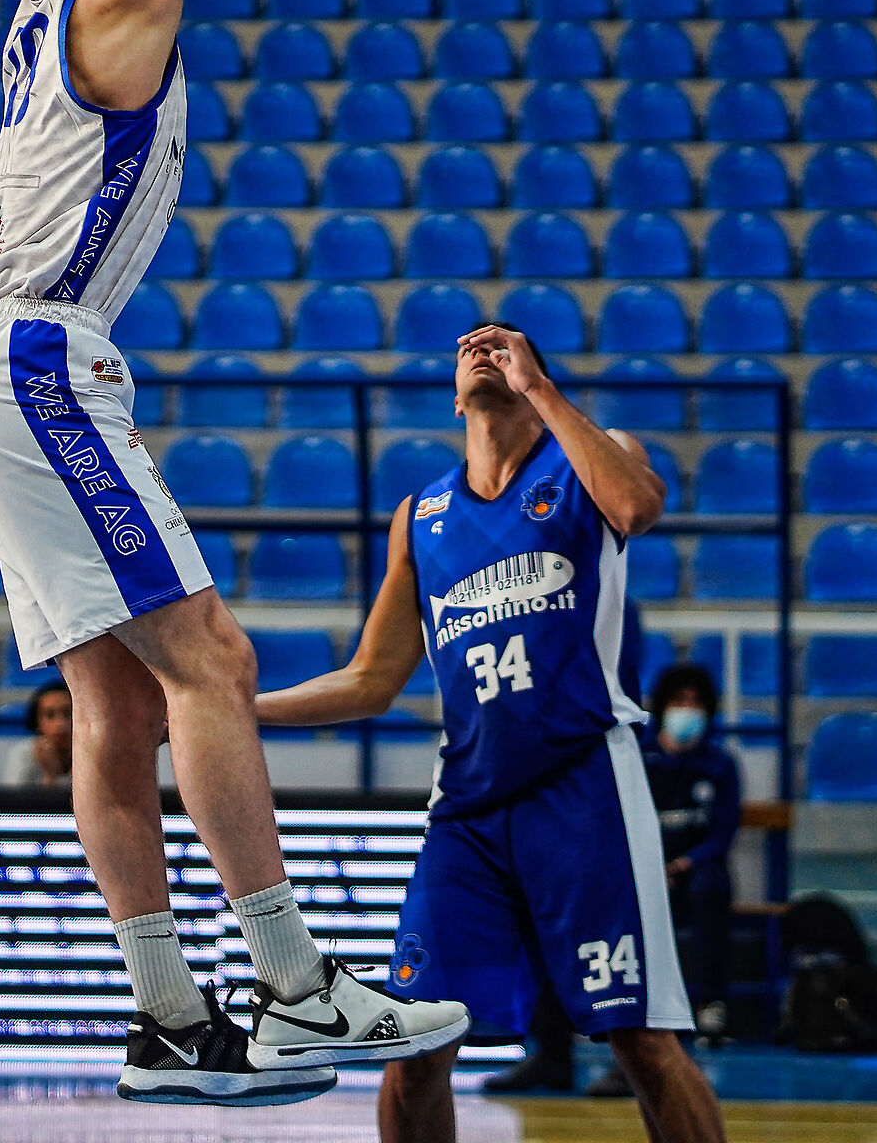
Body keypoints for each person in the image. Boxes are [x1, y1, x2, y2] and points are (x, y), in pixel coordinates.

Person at [0, 0, 466, 1106]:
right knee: (212, 659)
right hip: (39, 361)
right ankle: (295, 986)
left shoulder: (46, 21)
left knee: (112, 703)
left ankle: (172, 1021)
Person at [255, 326, 729, 1143]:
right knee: (417, 1044)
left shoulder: (591, 456)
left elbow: (636, 506)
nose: (484, 349)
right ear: (451, 393)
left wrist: (542, 390)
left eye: (503, 345)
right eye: (469, 346)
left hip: (584, 786)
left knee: (641, 1042)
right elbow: (371, 679)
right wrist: (238, 710)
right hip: (469, 808)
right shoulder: (422, 515)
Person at [640, 664, 740, 1045]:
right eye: (680, 701)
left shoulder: (719, 764)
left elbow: (723, 831)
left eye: (696, 703)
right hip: (645, 867)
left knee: (711, 888)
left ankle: (711, 1005)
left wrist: (684, 863)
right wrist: (652, 866)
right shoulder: (638, 757)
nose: (687, 709)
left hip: (696, 868)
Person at [4, 678, 73, 787]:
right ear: (37, 721)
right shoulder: (22, 754)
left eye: (68, 714)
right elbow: (15, 803)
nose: (60, 723)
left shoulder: (90, 754)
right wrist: (49, 775)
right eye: (50, 715)